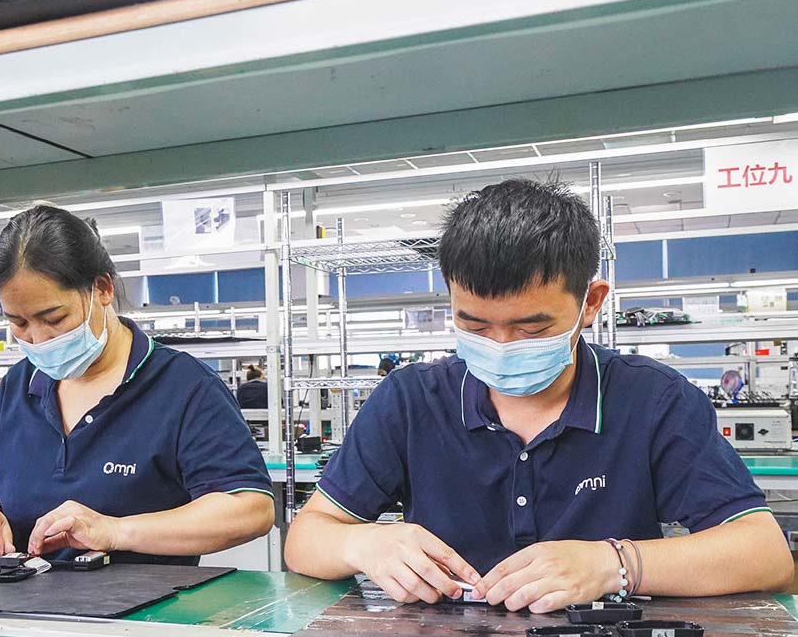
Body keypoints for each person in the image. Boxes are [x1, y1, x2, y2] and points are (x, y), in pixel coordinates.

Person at [285, 179, 793, 612]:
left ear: (590, 303)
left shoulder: (653, 401)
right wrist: (362, 543)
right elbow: (306, 539)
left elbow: (764, 554)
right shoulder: (411, 400)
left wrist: (613, 564)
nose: (501, 346)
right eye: (474, 325)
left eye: (531, 328)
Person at [0, 205, 275, 566]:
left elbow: (250, 508)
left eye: (54, 318)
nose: (38, 339)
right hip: (23, 595)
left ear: (102, 289)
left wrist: (117, 531)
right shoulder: (19, 385)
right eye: (19, 323)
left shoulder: (184, 387)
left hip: (145, 600)